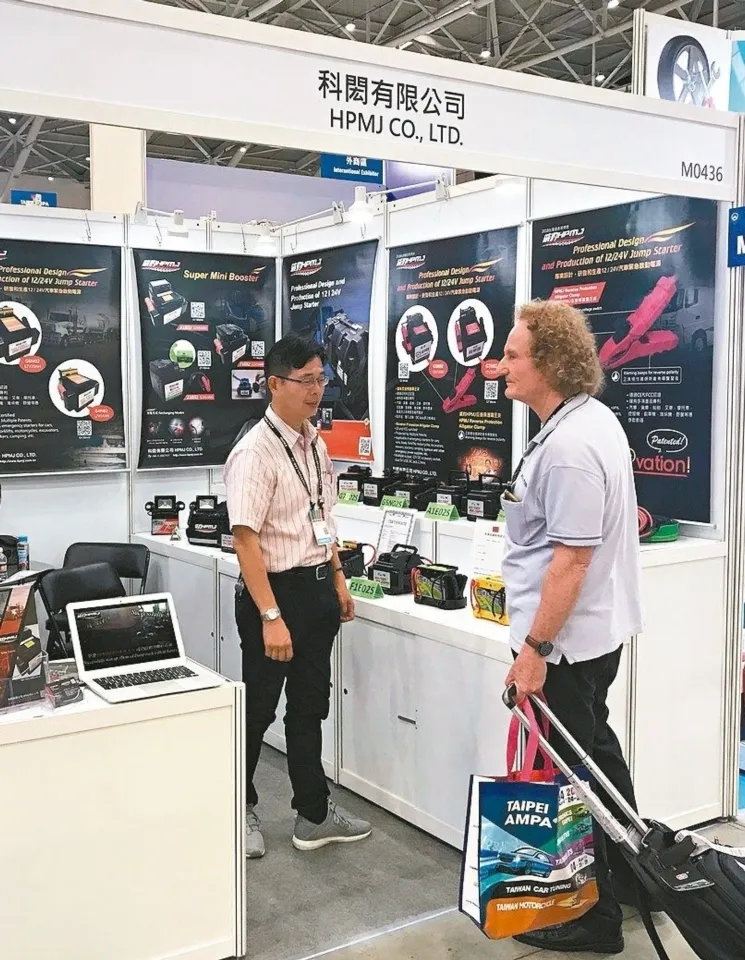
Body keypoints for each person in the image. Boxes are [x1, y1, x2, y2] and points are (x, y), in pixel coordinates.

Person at [496, 300, 643, 955]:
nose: (500, 365)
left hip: (563, 646)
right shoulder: (587, 421)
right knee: (598, 760)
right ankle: (636, 879)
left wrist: (533, 651)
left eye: (513, 355)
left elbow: (571, 562)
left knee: (575, 780)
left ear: (550, 364)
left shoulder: (570, 448)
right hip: (588, 638)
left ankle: (596, 918)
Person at [224, 334, 372, 858]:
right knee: (258, 709)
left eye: (321, 379)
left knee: (310, 707)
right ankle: (237, 808)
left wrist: (338, 579)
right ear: (274, 384)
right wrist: (270, 616)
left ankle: (313, 813)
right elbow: (245, 541)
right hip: (274, 595)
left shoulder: (316, 444)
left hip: (316, 592)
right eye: (305, 380)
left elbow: (323, 519)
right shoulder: (254, 452)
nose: (316, 390)